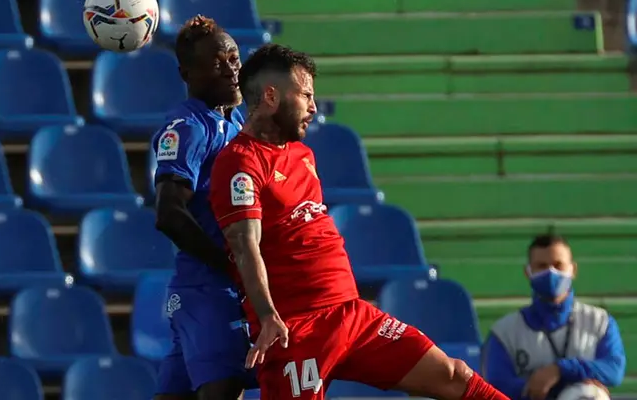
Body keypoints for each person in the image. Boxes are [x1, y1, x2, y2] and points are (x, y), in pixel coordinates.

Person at [207, 43, 510, 400]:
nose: (314, 107)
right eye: (306, 95)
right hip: (297, 329)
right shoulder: (239, 162)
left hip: (352, 315)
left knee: (453, 374)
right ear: (271, 96)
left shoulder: (302, 154)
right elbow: (245, 246)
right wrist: (269, 315)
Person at [151, 15, 253, 400]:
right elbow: (169, 213)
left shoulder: (233, 122)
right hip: (208, 290)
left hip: (212, 289)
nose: (231, 69)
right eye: (217, 63)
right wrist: (233, 265)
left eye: (233, 58)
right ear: (187, 72)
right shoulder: (190, 126)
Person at [482, 234, 626, 400]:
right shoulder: (504, 332)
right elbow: (497, 385)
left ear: (573, 270)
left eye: (558, 265)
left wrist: (559, 370)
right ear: (527, 272)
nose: (551, 272)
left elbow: (614, 369)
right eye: (541, 266)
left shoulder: (600, 322)